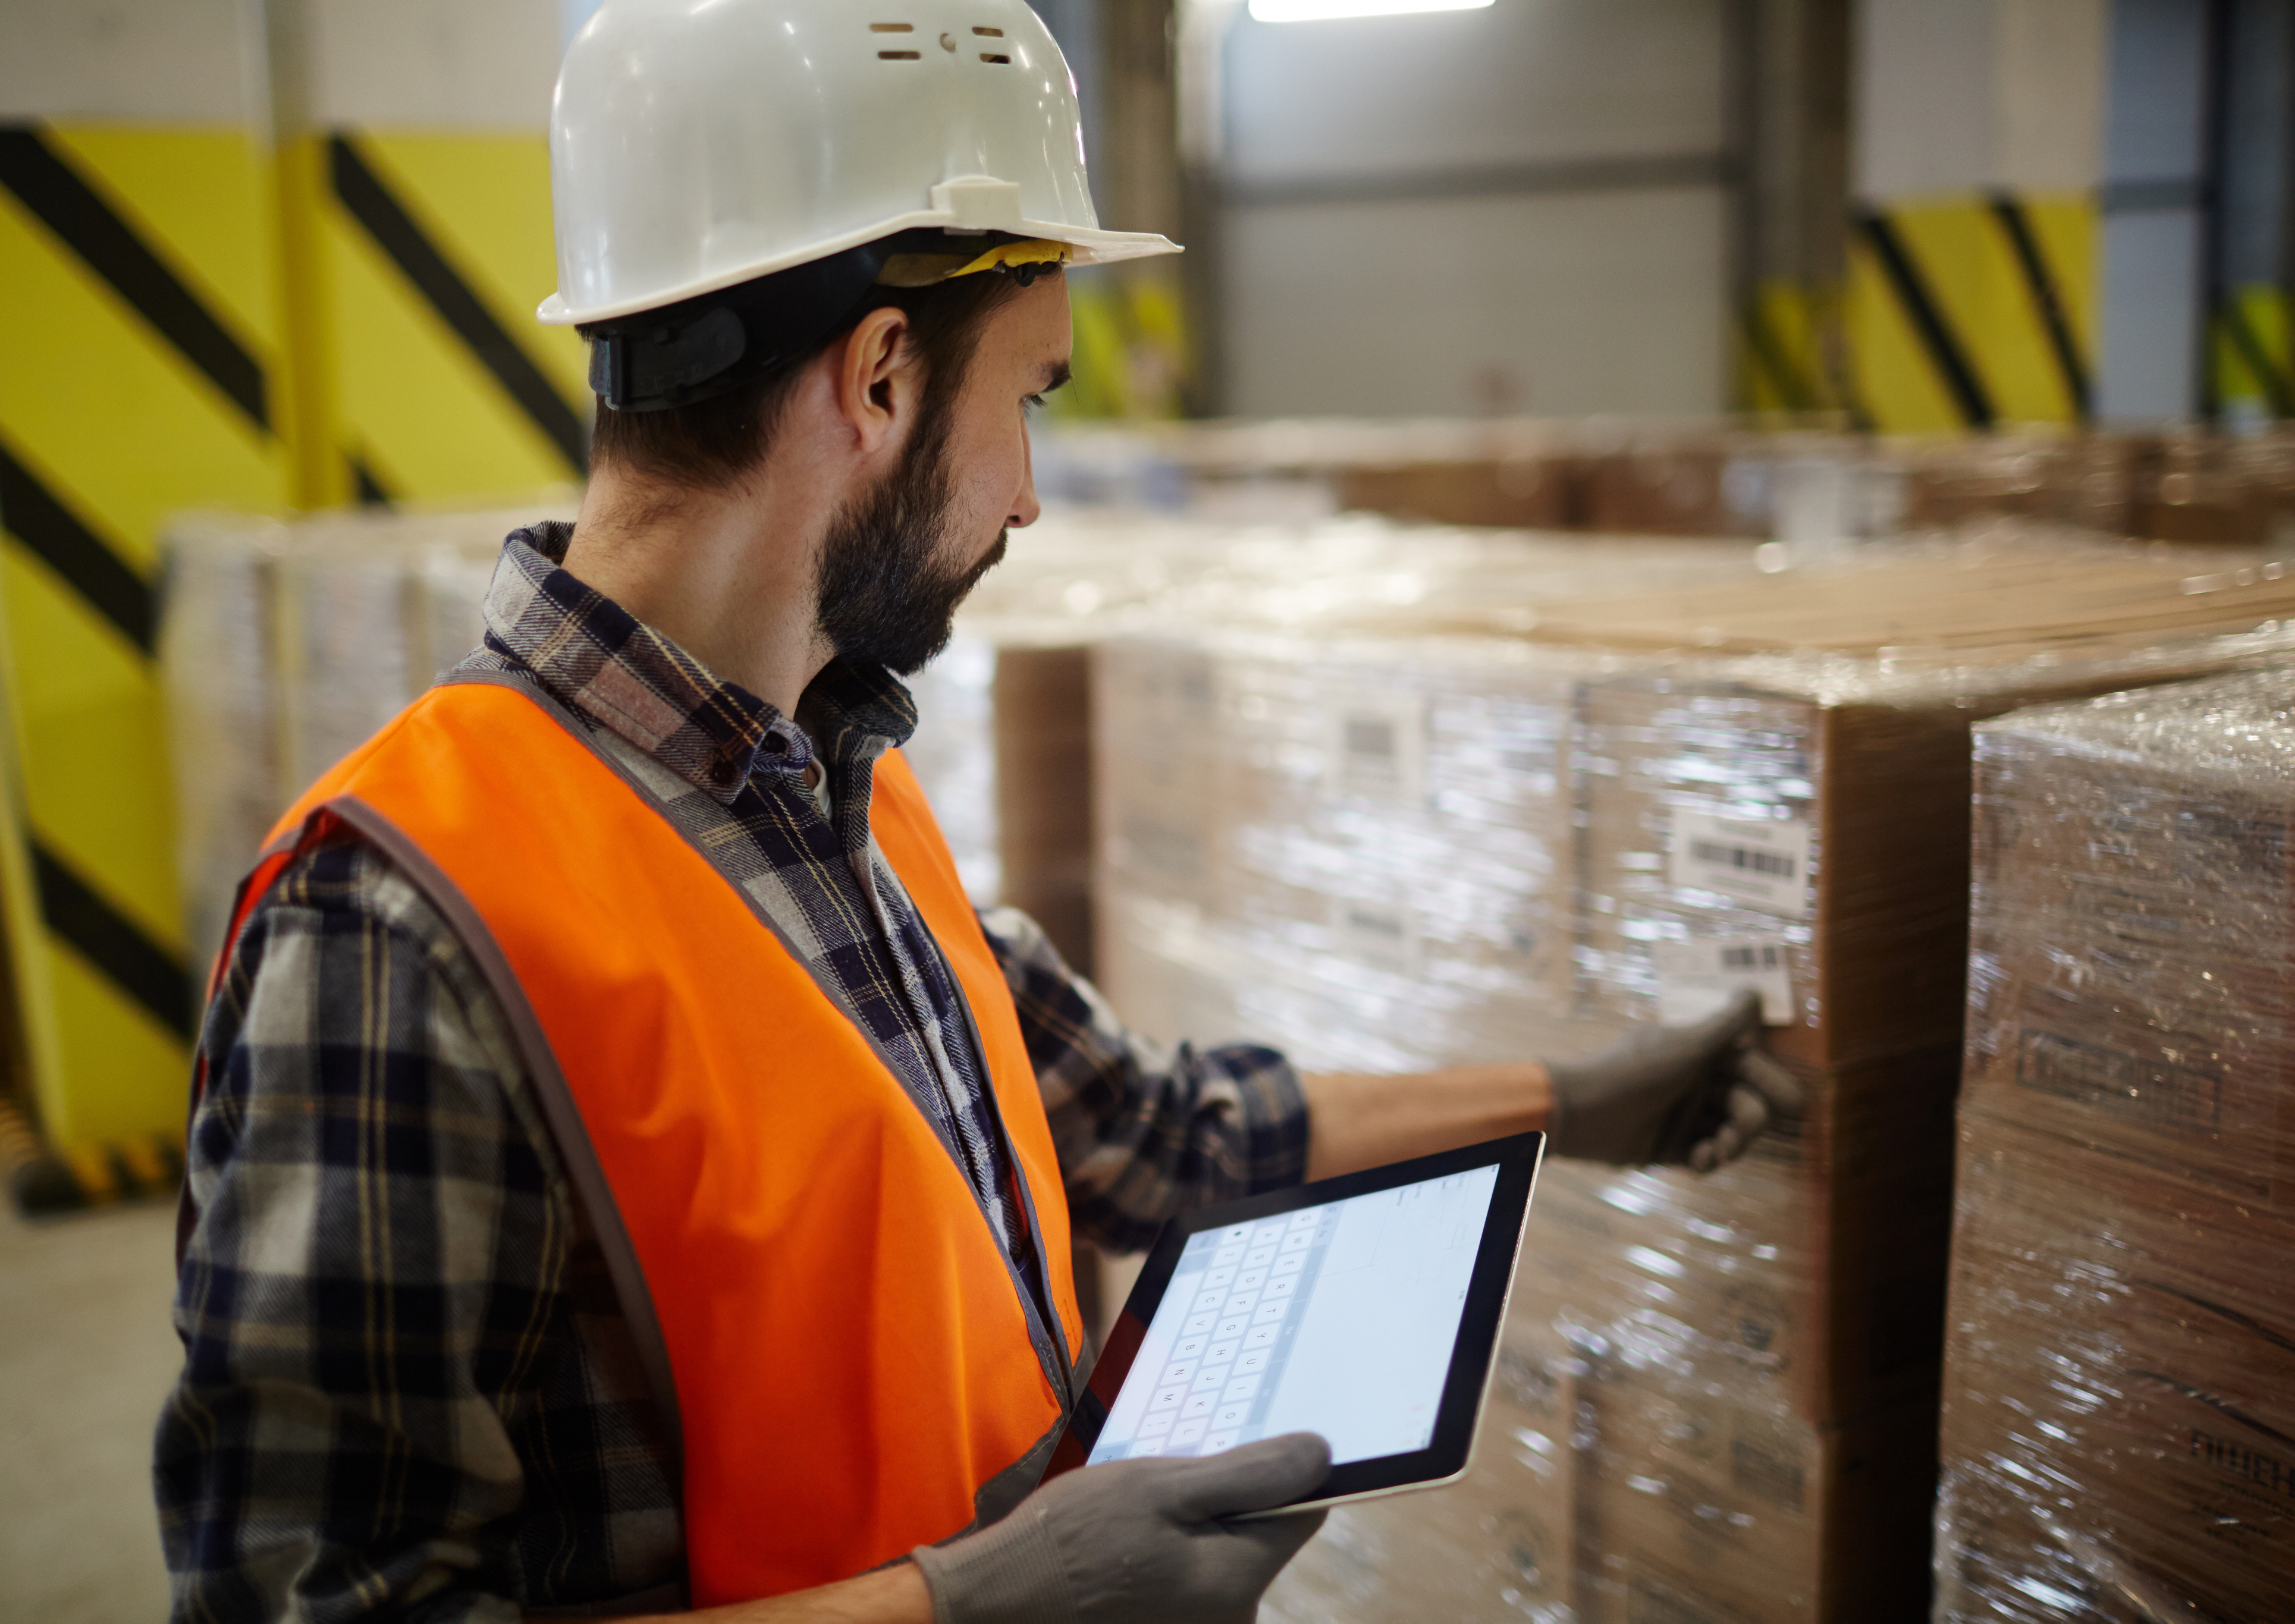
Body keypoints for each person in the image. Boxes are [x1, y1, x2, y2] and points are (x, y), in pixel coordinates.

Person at [153, 1, 1799, 1619]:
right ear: (878, 376)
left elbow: (1151, 1134)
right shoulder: (394, 925)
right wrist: (969, 1604)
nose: (1025, 495)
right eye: (1031, 400)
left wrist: (1573, 1101)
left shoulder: (835, 794)